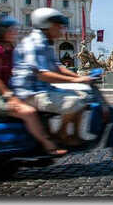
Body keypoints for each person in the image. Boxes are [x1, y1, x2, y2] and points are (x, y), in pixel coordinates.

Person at [0, 12, 62, 156]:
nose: (14, 31)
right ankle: (48, 145)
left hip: (4, 91)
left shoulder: (9, 48)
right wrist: (10, 97)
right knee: (28, 112)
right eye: (10, 29)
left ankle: (38, 140)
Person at [13, 8, 91, 145]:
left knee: (83, 96)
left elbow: (58, 67)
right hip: (30, 93)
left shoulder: (46, 43)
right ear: (47, 25)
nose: (61, 29)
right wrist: (76, 80)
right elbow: (42, 74)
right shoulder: (35, 42)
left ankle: (73, 135)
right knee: (74, 101)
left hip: (41, 90)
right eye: (58, 25)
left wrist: (79, 77)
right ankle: (61, 134)